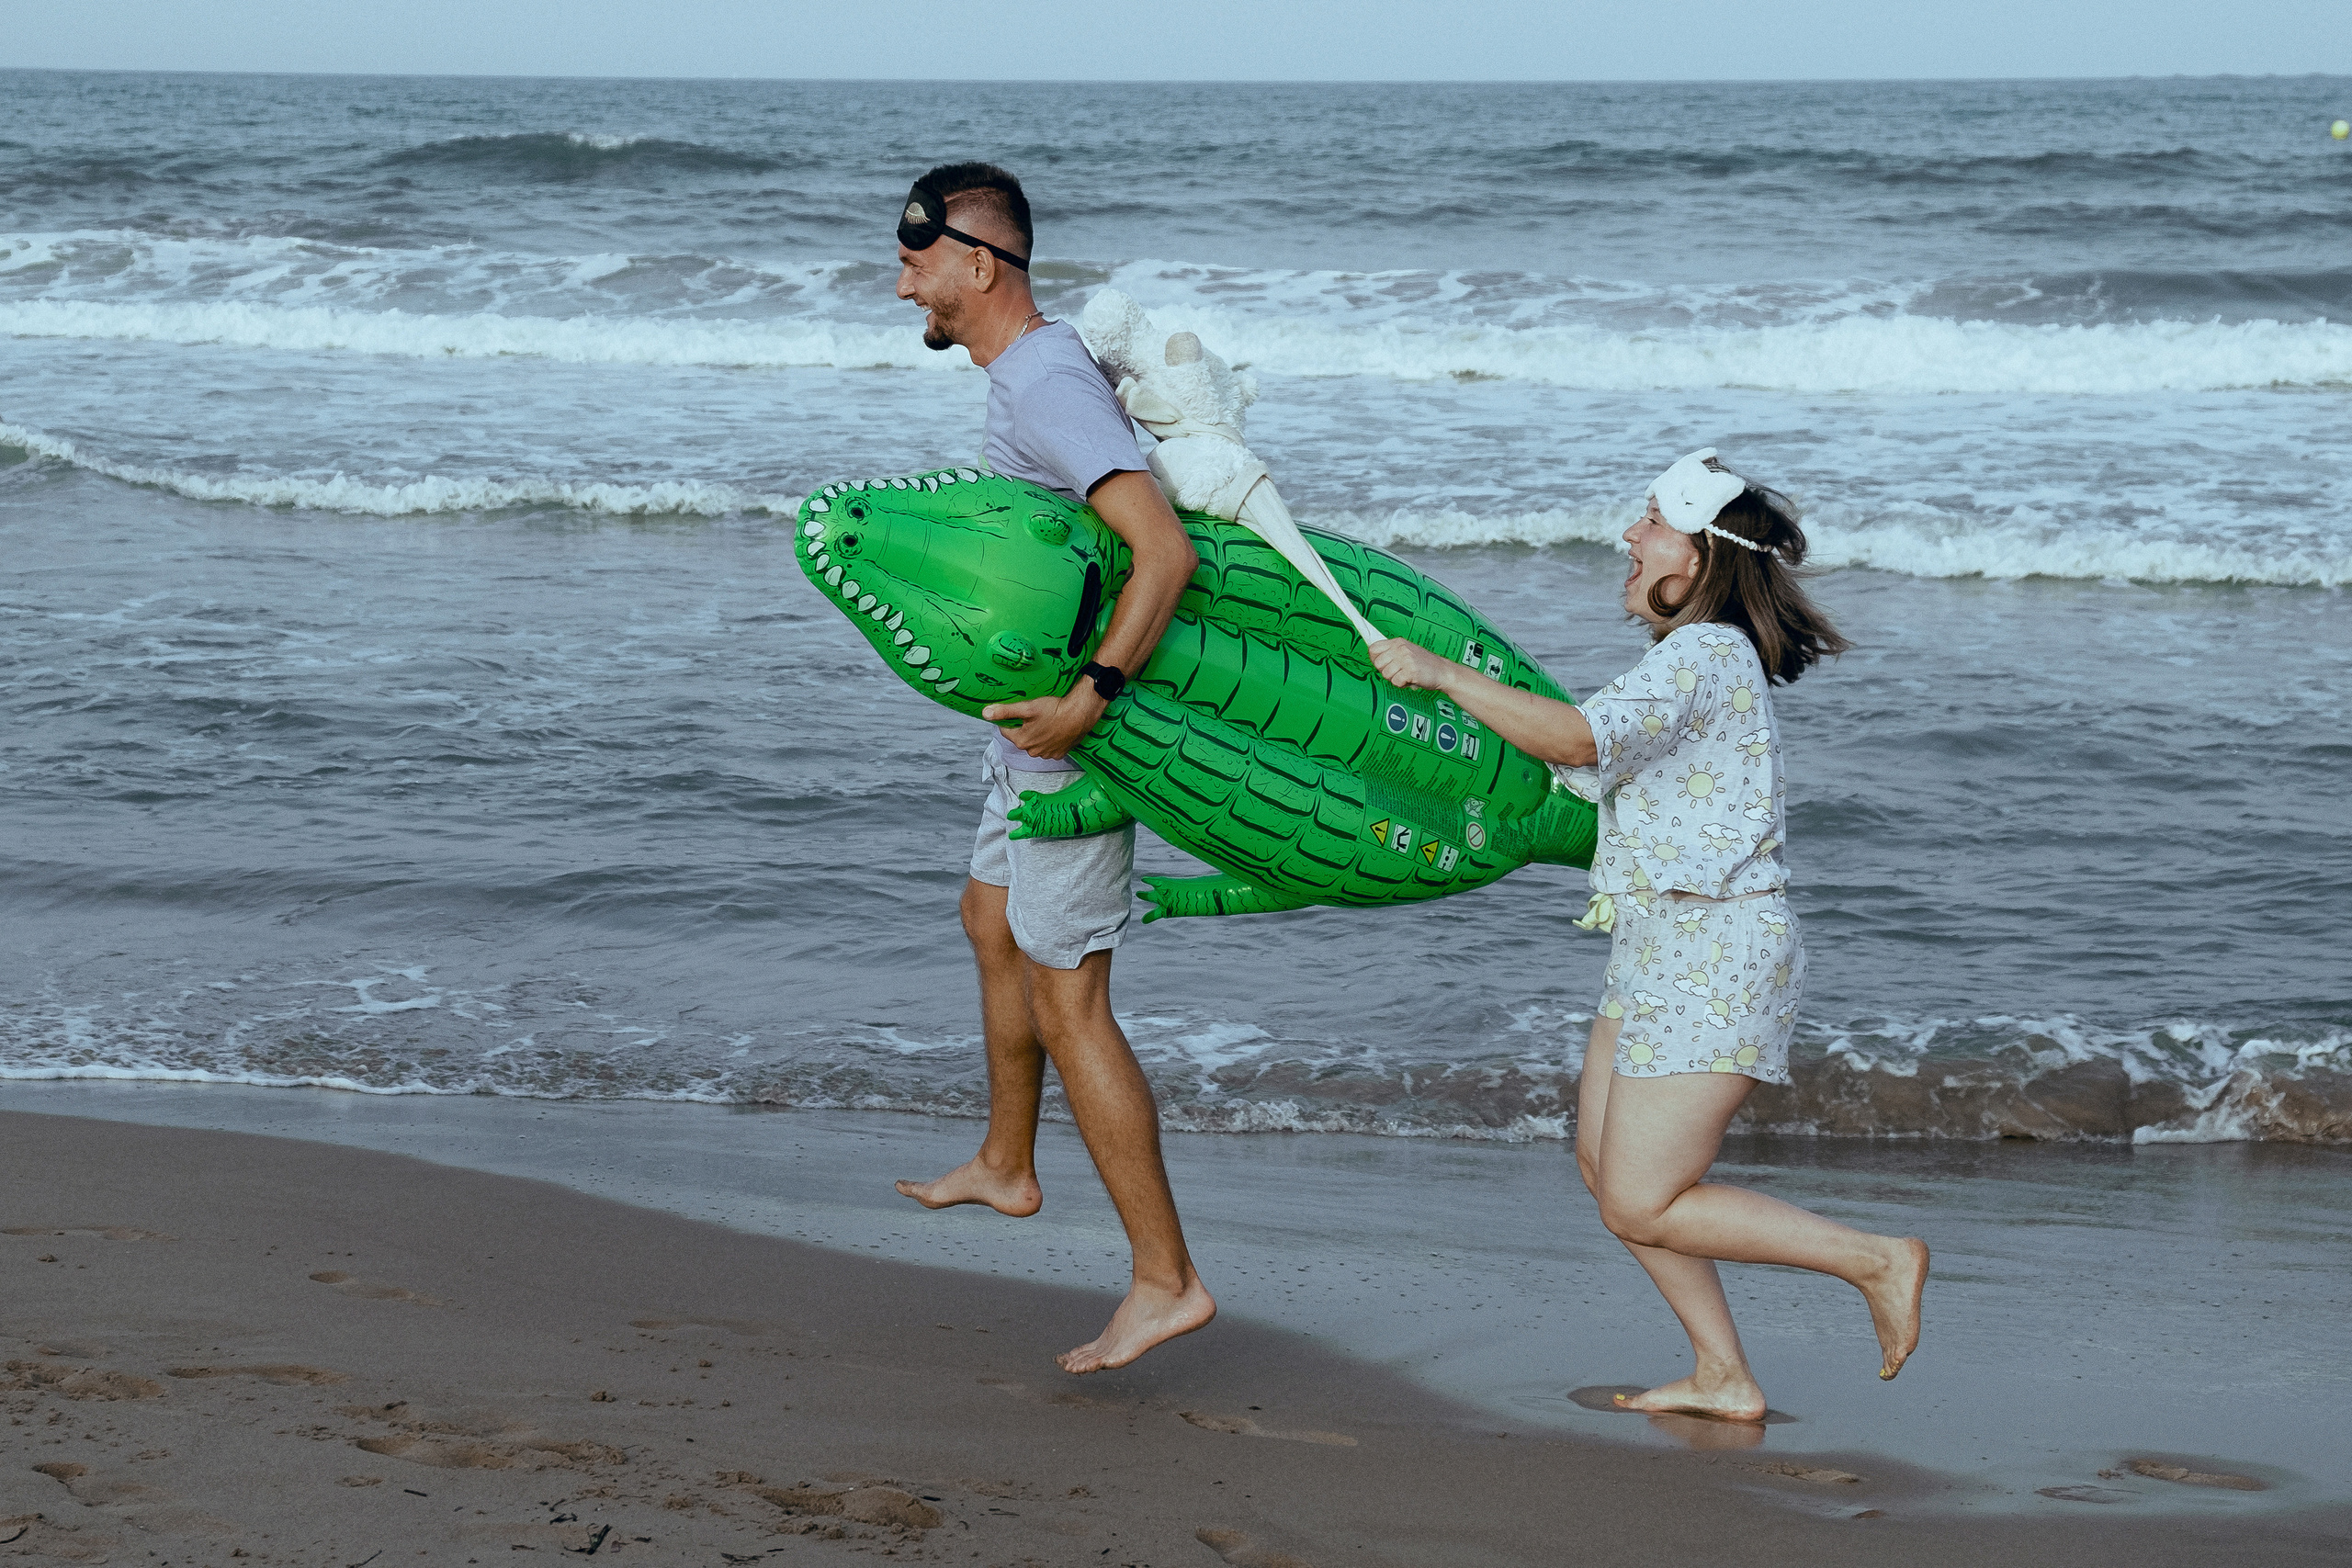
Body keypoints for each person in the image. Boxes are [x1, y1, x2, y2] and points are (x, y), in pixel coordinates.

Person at [1369, 449, 1928, 1421]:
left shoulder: (1704, 653)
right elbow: (1578, 772)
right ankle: (1722, 1374)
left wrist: (1441, 674)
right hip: (1657, 946)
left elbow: (1579, 741)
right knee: (1604, 1171)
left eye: (1650, 521)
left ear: (1703, 554)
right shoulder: (1688, 660)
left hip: (1716, 951)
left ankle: (1874, 1259)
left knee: (1639, 1197)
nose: (1629, 537)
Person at [885, 162, 1216, 1374]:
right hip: (1027, 729)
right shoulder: (1022, 376)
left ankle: (1167, 1280)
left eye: (921, 250)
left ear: (985, 263)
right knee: (989, 921)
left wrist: (1094, 699)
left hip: (1079, 736)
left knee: (1073, 995)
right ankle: (1009, 1162)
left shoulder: (1041, 381)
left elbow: (1161, 550)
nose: (904, 272)